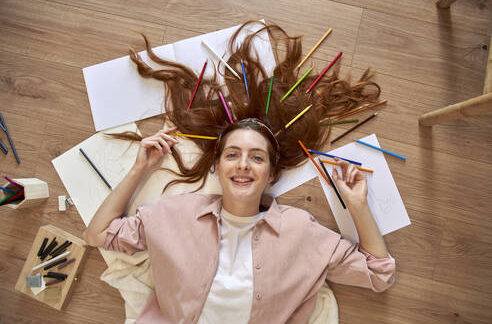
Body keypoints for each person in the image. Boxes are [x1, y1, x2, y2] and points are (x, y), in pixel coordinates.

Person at [83, 21, 395, 323]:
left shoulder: (302, 233)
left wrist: (356, 205)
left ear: (271, 174)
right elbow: (97, 234)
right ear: (216, 167)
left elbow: (379, 275)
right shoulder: (175, 214)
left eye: (257, 157)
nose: (243, 163)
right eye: (232, 155)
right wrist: (141, 168)